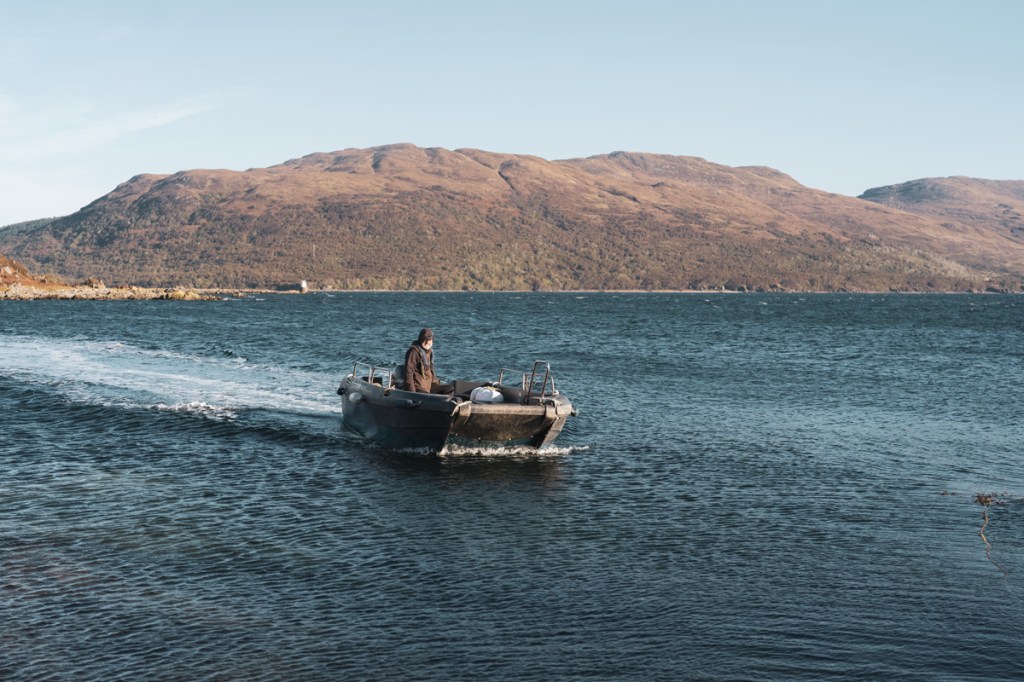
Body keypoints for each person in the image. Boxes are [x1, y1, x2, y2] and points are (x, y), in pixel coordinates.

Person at [403, 328, 454, 395]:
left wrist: (436, 382)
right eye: (425, 340)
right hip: (418, 387)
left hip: (428, 386)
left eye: (429, 340)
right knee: (427, 396)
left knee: (449, 389)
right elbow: (408, 372)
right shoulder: (414, 351)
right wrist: (412, 392)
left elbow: (431, 370)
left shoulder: (430, 352)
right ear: (421, 339)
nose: (427, 342)